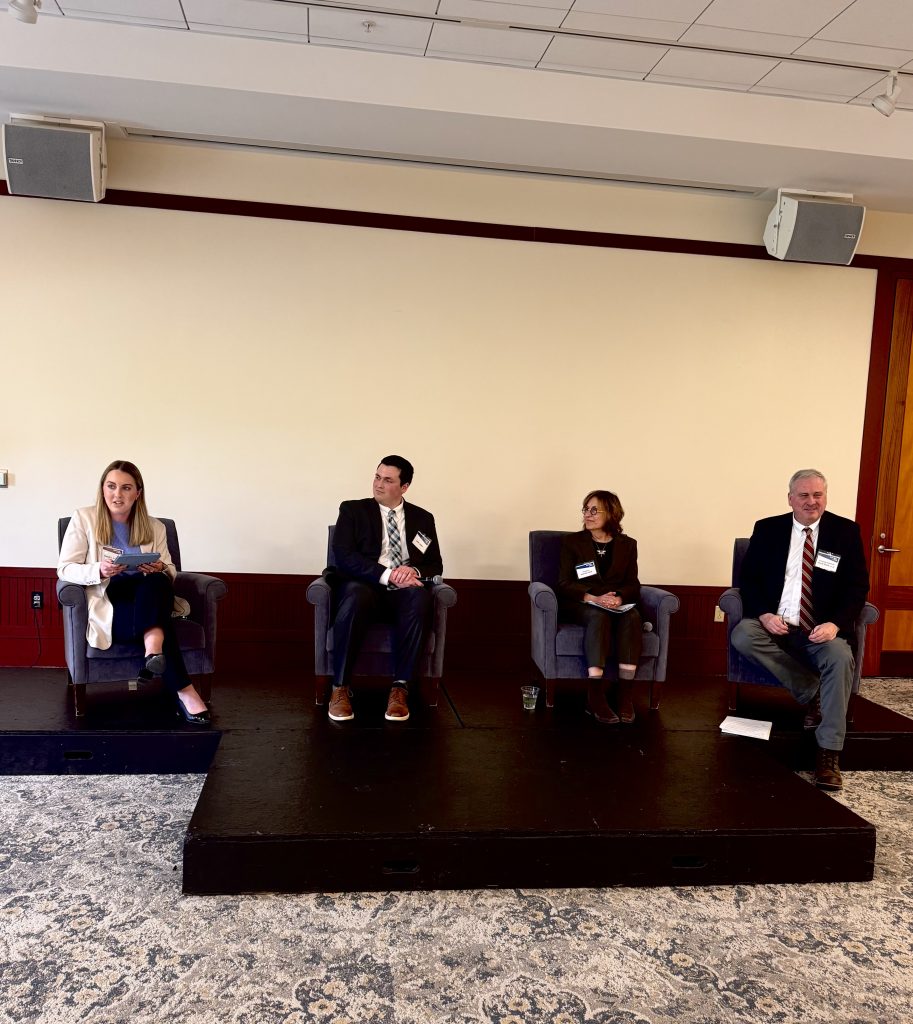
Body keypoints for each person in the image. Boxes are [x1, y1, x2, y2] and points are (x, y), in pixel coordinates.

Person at [731, 469, 870, 791]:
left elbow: (857, 587)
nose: (811, 501)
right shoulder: (768, 529)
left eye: (818, 495)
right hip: (777, 624)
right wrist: (764, 614)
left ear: (826, 497)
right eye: (804, 495)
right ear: (790, 498)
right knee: (743, 634)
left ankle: (828, 753)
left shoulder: (845, 532)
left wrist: (835, 624)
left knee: (839, 658)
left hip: (820, 629)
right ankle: (811, 689)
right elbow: (748, 580)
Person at [57, 460, 211, 726]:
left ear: (137, 493)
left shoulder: (155, 527)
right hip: (109, 597)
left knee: (158, 580)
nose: (117, 494)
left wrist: (160, 567)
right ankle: (180, 683)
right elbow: (65, 569)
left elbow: (170, 569)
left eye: (126, 488)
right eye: (111, 486)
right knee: (160, 620)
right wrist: (99, 570)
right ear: (102, 489)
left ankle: (154, 650)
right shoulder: (83, 518)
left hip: (147, 593)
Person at [326, 455, 442, 723]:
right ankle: (339, 688)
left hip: (403, 593)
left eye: (388, 480)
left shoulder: (423, 518)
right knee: (355, 595)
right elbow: (344, 557)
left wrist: (413, 572)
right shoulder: (352, 510)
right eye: (377, 477)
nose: (378, 484)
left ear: (404, 487)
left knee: (419, 597)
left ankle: (400, 689)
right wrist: (389, 575)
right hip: (365, 586)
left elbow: (435, 563)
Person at [558, 490, 642, 724]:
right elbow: (564, 583)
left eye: (594, 510)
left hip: (614, 604)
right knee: (598, 617)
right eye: (586, 509)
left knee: (633, 617)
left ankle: (625, 695)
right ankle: (595, 695)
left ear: (611, 513)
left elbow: (633, 583)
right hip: (583, 603)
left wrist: (620, 598)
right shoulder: (572, 542)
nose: (588, 514)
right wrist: (594, 598)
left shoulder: (628, 545)